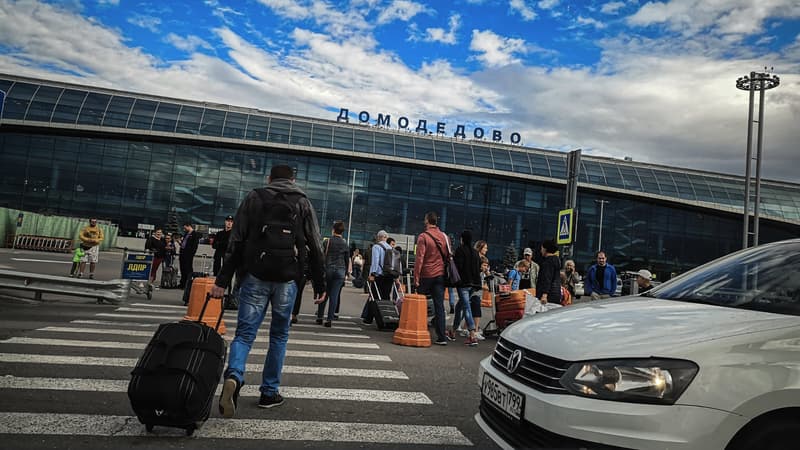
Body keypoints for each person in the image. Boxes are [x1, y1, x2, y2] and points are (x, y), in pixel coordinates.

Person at [214, 164, 326, 416]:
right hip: (287, 279)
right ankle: (269, 392)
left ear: (269, 178)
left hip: (255, 275)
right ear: (293, 180)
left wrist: (222, 280)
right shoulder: (302, 202)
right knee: (279, 335)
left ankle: (234, 374)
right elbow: (316, 244)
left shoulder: (254, 197)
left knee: (244, 334)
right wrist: (320, 283)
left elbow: (237, 241)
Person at [414, 211, 451, 346]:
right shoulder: (445, 237)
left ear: (427, 220)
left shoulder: (423, 237)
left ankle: (420, 330)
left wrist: (416, 277)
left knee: (420, 304)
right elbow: (448, 256)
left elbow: (420, 259)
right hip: (440, 275)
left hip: (426, 275)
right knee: (439, 306)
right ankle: (441, 337)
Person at [448, 230, 481, 346]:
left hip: (463, 283)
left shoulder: (460, 250)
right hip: (474, 284)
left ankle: (472, 334)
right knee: (459, 307)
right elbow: (478, 269)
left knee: (466, 307)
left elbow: (458, 267)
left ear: (462, 239)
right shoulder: (475, 252)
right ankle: (453, 331)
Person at [315, 221, 351, 327]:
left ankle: (320, 317)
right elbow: (346, 260)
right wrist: (345, 273)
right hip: (340, 271)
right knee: (334, 295)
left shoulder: (327, 241)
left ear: (333, 229)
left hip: (328, 269)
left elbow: (321, 255)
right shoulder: (345, 244)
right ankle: (330, 319)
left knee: (324, 292)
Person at [361, 230, 392, 324]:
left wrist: (372, 274)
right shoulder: (390, 248)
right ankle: (386, 318)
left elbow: (375, 261)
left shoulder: (376, 247)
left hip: (379, 275)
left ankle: (369, 318)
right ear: (386, 238)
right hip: (389, 275)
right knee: (386, 297)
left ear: (378, 237)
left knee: (374, 296)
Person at [536, 239, 562, 305]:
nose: (540, 251)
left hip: (548, 296)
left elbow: (547, 279)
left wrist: (544, 295)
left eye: (541, 248)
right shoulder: (556, 260)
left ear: (545, 249)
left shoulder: (547, 262)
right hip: (556, 293)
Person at [178, 222, 200, 289]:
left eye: (185, 228)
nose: (184, 229)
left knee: (188, 269)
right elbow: (184, 243)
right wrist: (179, 243)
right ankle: (182, 283)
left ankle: (188, 284)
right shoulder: (186, 234)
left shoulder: (194, 234)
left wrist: (191, 254)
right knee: (182, 269)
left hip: (188, 254)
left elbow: (195, 246)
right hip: (182, 253)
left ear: (189, 226)